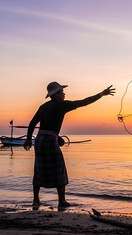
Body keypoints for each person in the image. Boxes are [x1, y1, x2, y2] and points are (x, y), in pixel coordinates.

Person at [23, 81, 115, 209]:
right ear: (56, 94)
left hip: (39, 140)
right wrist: (101, 94)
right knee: (59, 169)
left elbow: (33, 123)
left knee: (38, 170)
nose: (64, 93)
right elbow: (84, 102)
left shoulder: (43, 106)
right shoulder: (61, 105)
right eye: (62, 91)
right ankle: (61, 202)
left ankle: (36, 201)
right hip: (49, 140)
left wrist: (28, 139)